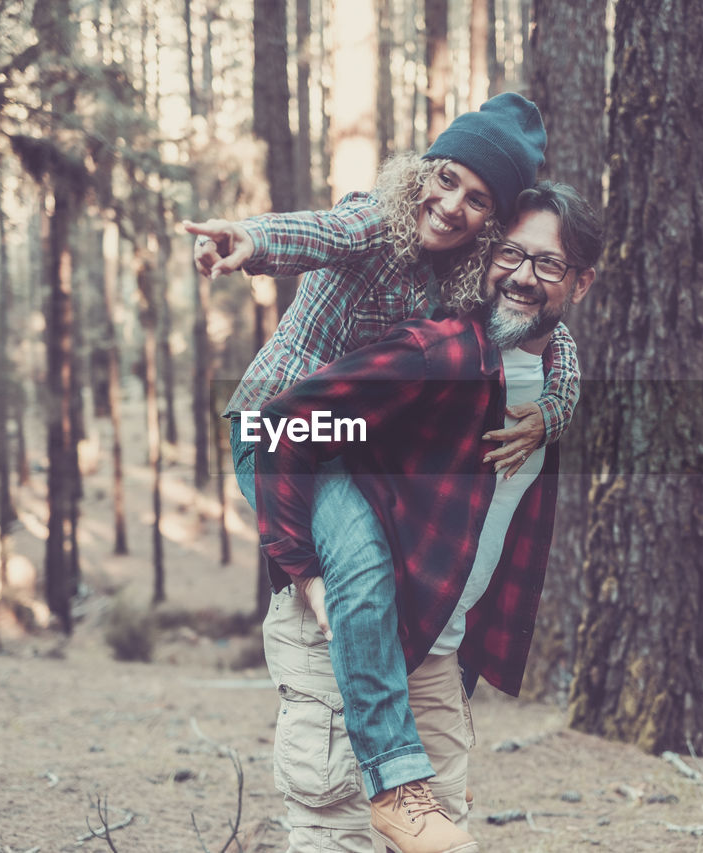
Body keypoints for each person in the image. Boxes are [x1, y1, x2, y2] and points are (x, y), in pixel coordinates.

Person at [185, 95, 582, 848]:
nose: (452, 205)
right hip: (277, 426)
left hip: (341, 447)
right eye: (448, 179)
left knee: (371, 563)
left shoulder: (474, 271)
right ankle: (395, 782)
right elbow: (321, 230)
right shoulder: (383, 217)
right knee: (357, 566)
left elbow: (553, 339)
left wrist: (553, 414)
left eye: (477, 200)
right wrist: (247, 239)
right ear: (424, 169)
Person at [255, 183, 600, 853]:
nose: (523, 276)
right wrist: (302, 568)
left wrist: (555, 416)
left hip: (435, 650)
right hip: (344, 635)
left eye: (548, 263)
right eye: (510, 253)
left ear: (582, 282)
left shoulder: (553, 365)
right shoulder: (439, 352)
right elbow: (281, 428)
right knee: (338, 837)